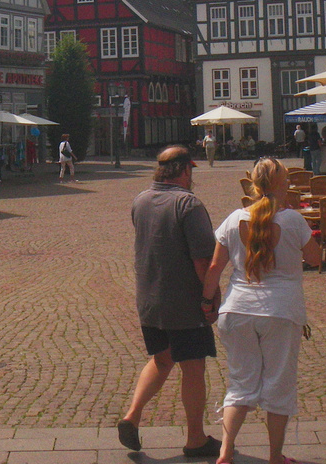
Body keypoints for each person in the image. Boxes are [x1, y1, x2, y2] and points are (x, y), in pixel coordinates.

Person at [202, 158, 322, 464]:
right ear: (282, 184)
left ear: (254, 184)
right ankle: (274, 456)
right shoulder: (293, 221)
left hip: (237, 310)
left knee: (240, 384)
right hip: (280, 311)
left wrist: (207, 302)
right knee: (278, 385)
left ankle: (226, 454)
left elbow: (215, 267)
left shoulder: (233, 220)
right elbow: (316, 259)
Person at [117, 147, 219, 461]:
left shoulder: (141, 200)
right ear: (185, 170)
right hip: (185, 305)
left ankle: (131, 415)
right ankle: (195, 439)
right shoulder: (188, 204)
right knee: (193, 367)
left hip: (149, 301)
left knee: (162, 361)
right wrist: (209, 298)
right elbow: (203, 259)